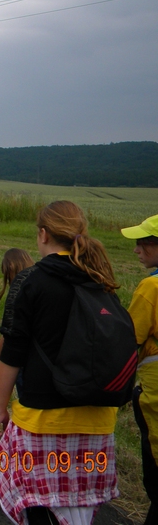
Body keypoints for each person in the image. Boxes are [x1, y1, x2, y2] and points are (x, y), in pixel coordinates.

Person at [0, 200, 121, 524]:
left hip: (44, 421)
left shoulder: (35, 281)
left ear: (43, 234)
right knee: (80, 508)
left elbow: (14, 352)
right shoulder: (100, 277)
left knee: (38, 503)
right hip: (98, 421)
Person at [121, 214, 158, 524]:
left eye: (142, 243)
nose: (136, 250)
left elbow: (128, 338)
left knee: (155, 472)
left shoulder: (150, 287)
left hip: (154, 393)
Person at [0, 249, 35, 383]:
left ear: (10, 269)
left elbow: (8, 332)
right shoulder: (40, 284)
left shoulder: (17, 294)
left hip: (21, 358)